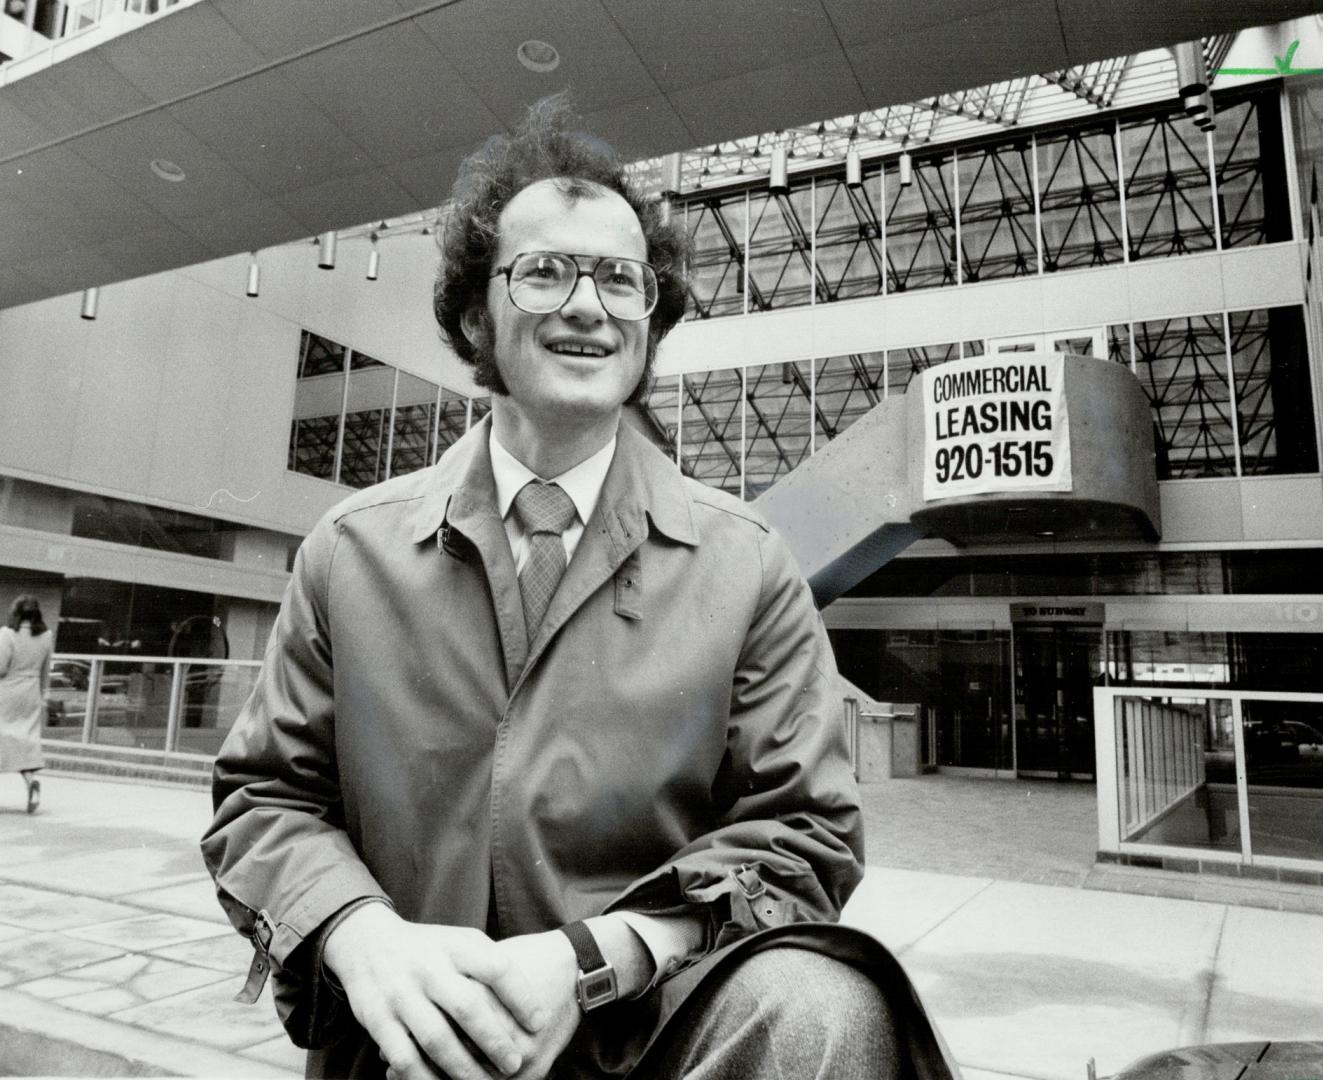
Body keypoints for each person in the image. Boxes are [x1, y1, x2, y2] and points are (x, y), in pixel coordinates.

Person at [203, 99, 956, 1080]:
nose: (587, 305)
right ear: (477, 316)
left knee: (824, 1010)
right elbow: (265, 797)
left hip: (651, 1026)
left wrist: (593, 960)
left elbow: (805, 832)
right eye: (545, 272)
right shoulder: (350, 550)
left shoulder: (749, 562)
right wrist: (360, 936)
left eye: (619, 279)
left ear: (652, 321)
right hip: (416, 1035)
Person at [0, 594, 54, 814]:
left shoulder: (6, 634)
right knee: (25, 739)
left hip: (8, 691)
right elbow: (46, 669)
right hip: (31, 692)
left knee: (3, 737)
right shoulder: (46, 635)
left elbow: (1, 668)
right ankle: (30, 781)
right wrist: (44, 695)